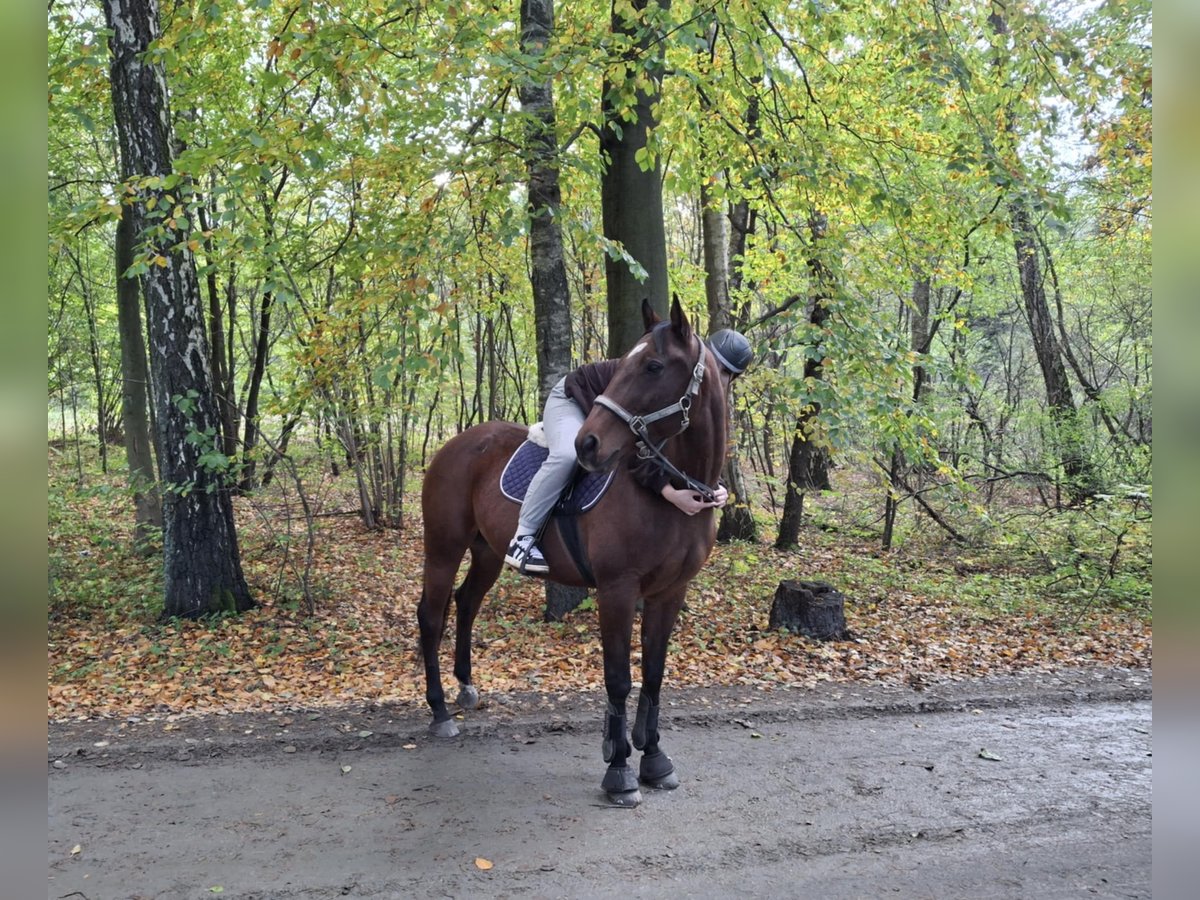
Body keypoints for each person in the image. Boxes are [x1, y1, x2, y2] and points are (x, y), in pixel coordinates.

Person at [505, 328, 753, 574]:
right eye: (715, 364)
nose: (717, 374)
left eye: (726, 372)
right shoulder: (670, 378)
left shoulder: (698, 401)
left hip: (606, 413)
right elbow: (640, 448)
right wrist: (670, 493)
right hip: (574, 398)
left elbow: (696, 453)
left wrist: (715, 487)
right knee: (567, 455)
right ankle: (522, 537)